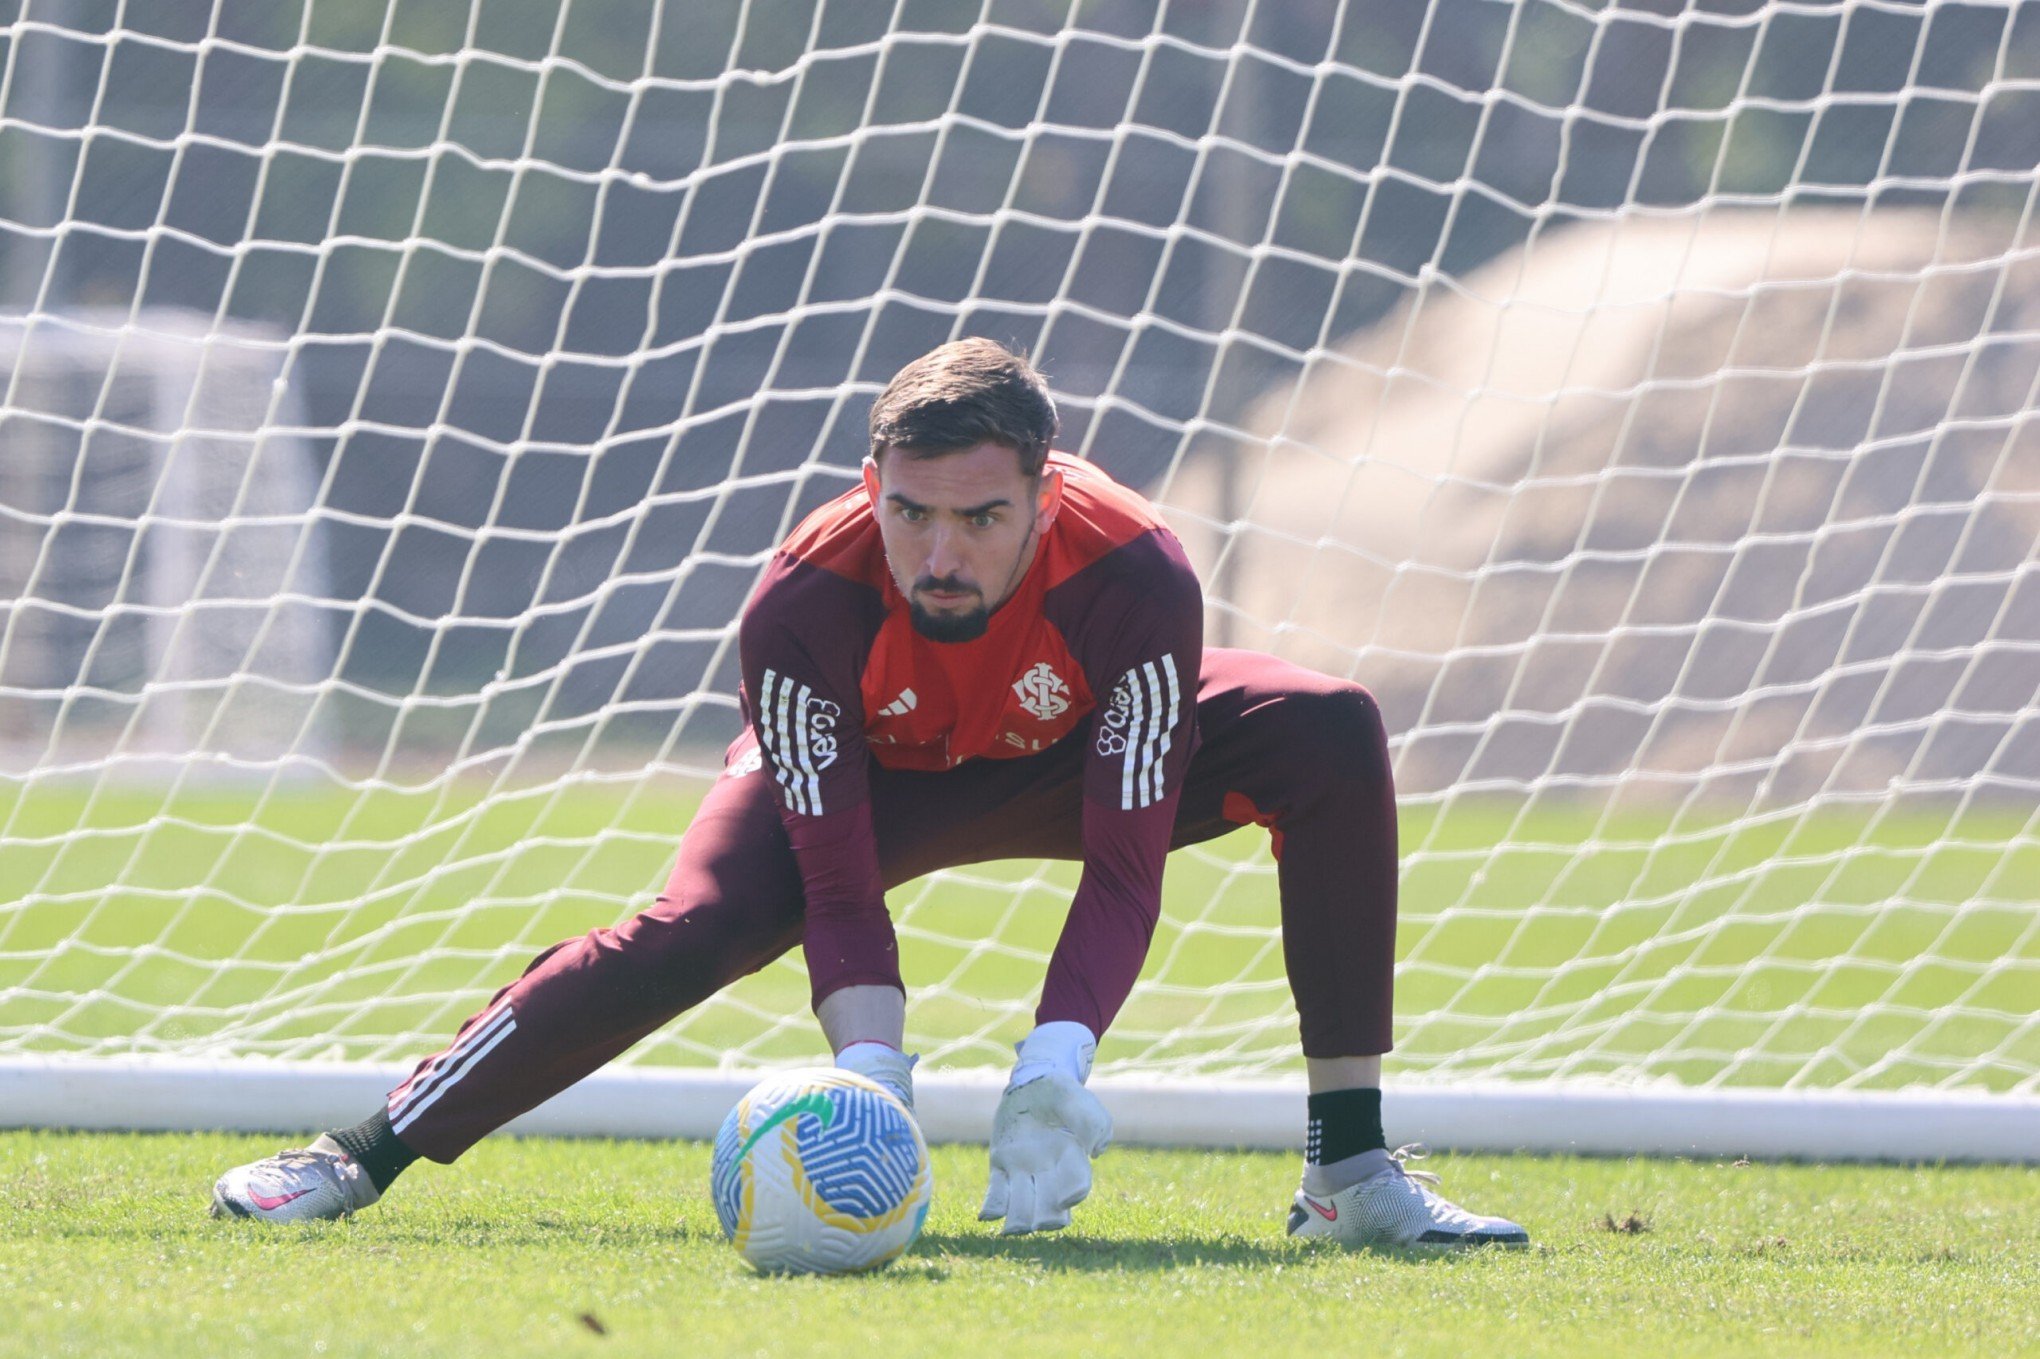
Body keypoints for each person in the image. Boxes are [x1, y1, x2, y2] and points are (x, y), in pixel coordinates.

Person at [211, 338, 1527, 1249]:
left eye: (981, 520)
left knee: (1328, 730)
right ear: (868, 489)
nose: (939, 555)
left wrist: (1056, 1064)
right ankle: (357, 1154)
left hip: (1067, 762)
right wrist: (875, 1084)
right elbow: (838, 884)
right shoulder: (802, 602)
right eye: (911, 515)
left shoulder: (1135, 577)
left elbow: (1126, 860)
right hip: (875, 788)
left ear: (1046, 496)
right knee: (690, 930)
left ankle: (1349, 1173)